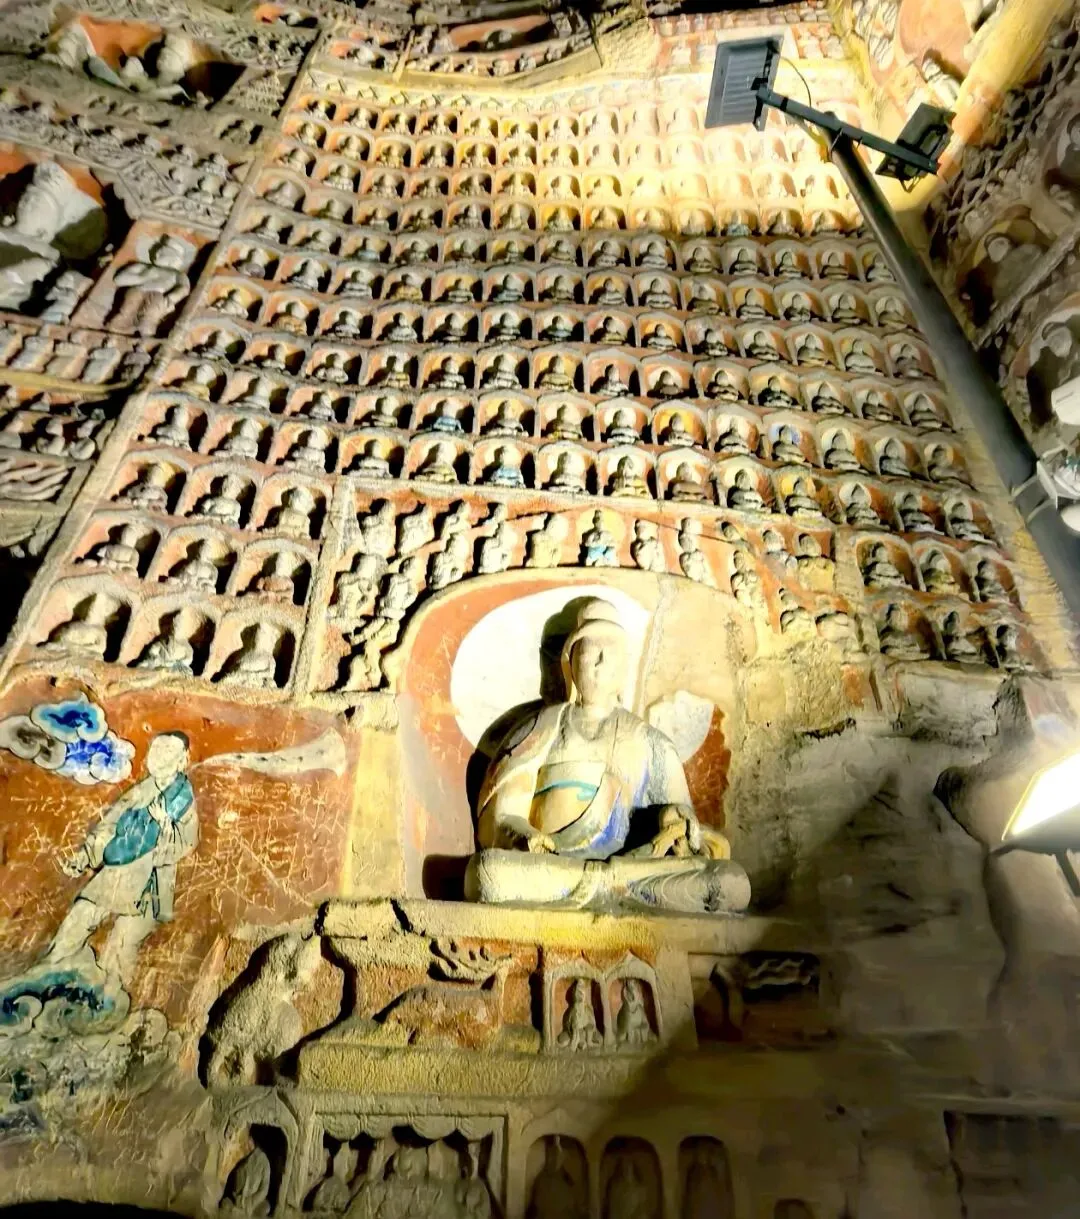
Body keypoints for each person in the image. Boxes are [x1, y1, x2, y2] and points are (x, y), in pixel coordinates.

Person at [45, 733, 196, 984]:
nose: (160, 756)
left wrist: (164, 825)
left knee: (120, 946)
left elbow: (186, 843)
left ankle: (108, 998)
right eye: (157, 749)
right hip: (116, 872)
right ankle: (47, 977)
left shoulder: (183, 798)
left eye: (169, 751)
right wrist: (85, 856)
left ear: (183, 760)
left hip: (150, 885)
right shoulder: (140, 791)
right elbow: (110, 825)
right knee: (79, 918)